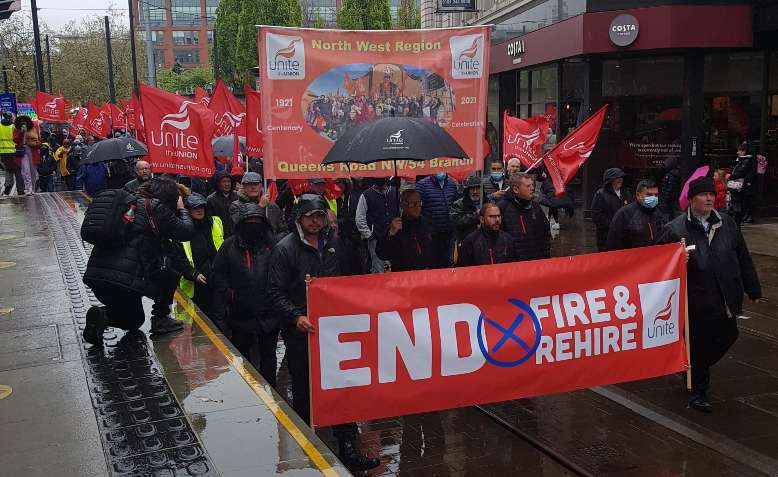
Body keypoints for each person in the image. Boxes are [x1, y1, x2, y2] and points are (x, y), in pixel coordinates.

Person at [268, 195, 379, 472]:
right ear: (299, 219)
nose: (316, 221)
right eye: (310, 217)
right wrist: (296, 316)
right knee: (306, 391)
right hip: (302, 334)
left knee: (343, 387)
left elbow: (347, 280)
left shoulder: (335, 244)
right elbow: (274, 292)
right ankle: (310, 449)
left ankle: (348, 448)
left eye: (320, 215)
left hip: (335, 331)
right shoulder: (285, 249)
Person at [658, 177, 762, 413]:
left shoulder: (727, 223)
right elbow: (657, 263)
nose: (709, 199)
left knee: (729, 335)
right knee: (699, 346)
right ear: (692, 199)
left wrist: (752, 288)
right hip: (696, 301)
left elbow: (742, 256)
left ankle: (692, 367)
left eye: (711, 195)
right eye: (704, 195)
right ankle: (698, 392)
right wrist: (676, 261)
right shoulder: (675, 229)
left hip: (725, 296)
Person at [82, 177, 194, 346]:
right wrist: (181, 209)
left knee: (134, 321)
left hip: (97, 278)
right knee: (169, 270)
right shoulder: (156, 208)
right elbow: (186, 231)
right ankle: (161, 318)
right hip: (124, 283)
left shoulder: (127, 203)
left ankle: (102, 316)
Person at [211, 202, 279, 385]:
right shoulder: (229, 246)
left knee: (269, 357)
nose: (254, 226)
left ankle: (271, 391)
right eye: (250, 222)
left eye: (257, 221)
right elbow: (218, 272)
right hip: (241, 313)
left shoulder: (273, 245)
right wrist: (229, 294)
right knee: (242, 356)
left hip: (269, 313)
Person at [177, 193, 224, 322]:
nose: (199, 210)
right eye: (195, 207)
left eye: (202, 207)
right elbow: (178, 258)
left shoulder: (215, 223)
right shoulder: (182, 229)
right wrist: (192, 273)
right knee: (197, 319)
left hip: (216, 279)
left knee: (218, 316)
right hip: (195, 283)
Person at [377, 189, 435, 272]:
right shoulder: (395, 225)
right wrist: (391, 234)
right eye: (413, 204)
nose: (417, 208)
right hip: (403, 276)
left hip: (425, 275)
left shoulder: (426, 223)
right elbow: (382, 254)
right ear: (402, 205)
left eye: (419, 203)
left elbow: (433, 250)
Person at [498, 172, 551, 262]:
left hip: (537, 262)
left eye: (532, 185)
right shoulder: (503, 207)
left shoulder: (535, 206)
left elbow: (545, 233)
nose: (532, 188)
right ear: (516, 189)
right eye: (528, 186)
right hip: (514, 265)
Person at [606, 179, 668, 251]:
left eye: (656, 195)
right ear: (638, 195)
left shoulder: (659, 214)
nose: (653, 198)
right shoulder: (624, 214)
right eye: (649, 195)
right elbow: (613, 243)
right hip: (632, 259)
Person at [415, 172, 459, 268]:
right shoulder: (422, 185)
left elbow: (456, 205)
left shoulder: (452, 184)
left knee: (448, 264)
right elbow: (417, 210)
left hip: (449, 234)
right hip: (431, 236)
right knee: (432, 265)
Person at [355, 177, 398, 274]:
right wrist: (369, 235)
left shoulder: (395, 192)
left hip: (394, 236)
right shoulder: (366, 195)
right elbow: (359, 218)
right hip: (376, 238)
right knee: (378, 269)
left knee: (396, 266)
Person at [591, 167, 631, 251]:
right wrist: (612, 226)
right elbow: (596, 215)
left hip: (624, 236)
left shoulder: (626, 192)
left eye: (621, 177)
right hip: (606, 237)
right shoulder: (600, 194)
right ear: (610, 180)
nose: (620, 180)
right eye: (617, 178)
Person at [729, 142, 757, 225]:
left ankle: (747, 216)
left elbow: (743, 172)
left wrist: (732, 176)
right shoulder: (744, 160)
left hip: (746, 184)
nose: (738, 152)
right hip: (746, 183)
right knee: (745, 201)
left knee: (746, 201)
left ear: (744, 151)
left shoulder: (747, 161)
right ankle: (746, 216)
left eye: (739, 151)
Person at [450, 174, 481, 247]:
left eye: (478, 188)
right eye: (472, 189)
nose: (475, 192)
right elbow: (457, 221)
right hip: (466, 243)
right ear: (467, 190)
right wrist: (476, 216)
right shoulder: (459, 204)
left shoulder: (488, 202)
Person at [207, 171, 238, 237]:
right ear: (218, 183)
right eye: (224, 181)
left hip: (236, 234)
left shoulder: (237, 196)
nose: (227, 184)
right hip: (220, 235)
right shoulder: (211, 200)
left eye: (229, 181)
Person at [0, 112, 19, 195]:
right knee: (17, 170)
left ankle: (8, 185)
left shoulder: (0, 126)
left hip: (4, 152)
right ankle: (20, 187)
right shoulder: (13, 127)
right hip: (14, 151)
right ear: (11, 118)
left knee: (8, 170)